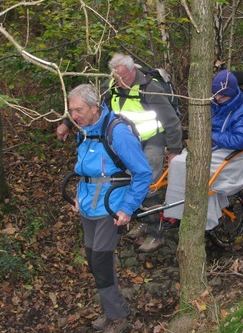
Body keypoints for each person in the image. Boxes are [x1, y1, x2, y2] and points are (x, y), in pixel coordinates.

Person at [57, 53, 182, 254]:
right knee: (125, 181)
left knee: (147, 185)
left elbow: (172, 122)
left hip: (151, 141)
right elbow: (86, 106)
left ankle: (155, 233)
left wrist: (174, 151)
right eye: (116, 77)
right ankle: (135, 217)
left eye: (124, 77)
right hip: (123, 140)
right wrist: (66, 124)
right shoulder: (112, 86)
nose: (120, 82)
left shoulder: (151, 89)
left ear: (134, 71)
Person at [66, 83, 152, 333]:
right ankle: (112, 307)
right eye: (71, 111)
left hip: (110, 206)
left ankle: (117, 318)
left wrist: (127, 208)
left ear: (94, 107)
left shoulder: (117, 132)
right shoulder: (85, 133)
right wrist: (78, 196)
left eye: (78, 110)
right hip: (89, 206)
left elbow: (143, 172)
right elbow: (87, 171)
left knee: (101, 262)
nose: (74, 116)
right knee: (94, 260)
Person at [163, 70, 243, 230]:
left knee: (199, 170)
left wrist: (211, 134)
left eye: (222, 96)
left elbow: (240, 140)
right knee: (177, 163)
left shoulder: (242, 112)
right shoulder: (211, 103)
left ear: (231, 95)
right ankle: (176, 211)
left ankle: (206, 217)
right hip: (208, 146)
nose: (217, 98)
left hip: (228, 151)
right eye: (216, 94)